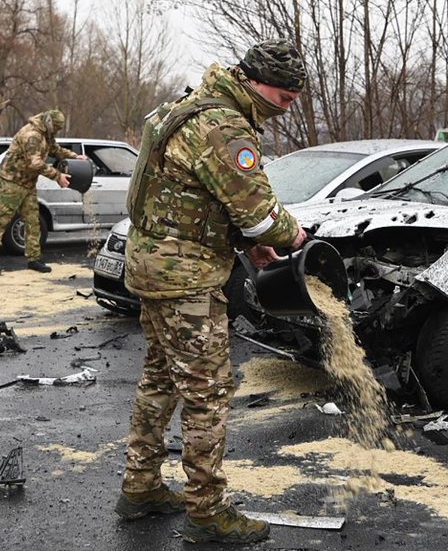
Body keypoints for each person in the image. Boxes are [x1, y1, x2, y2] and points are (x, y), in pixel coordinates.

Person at [114, 39, 308, 544]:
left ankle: (140, 487)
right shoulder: (223, 125)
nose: (284, 107)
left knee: (160, 379)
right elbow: (258, 210)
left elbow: (191, 196)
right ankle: (207, 513)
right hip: (185, 281)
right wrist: (287, 236)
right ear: (253, 79)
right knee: (208, 393)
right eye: (283, 97)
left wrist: (247, 246)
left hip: (152, 267)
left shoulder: (188, 106)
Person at [0, 109, 87, 274]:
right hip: (11, 181)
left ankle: (33, 259)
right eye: (56, 129)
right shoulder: (32, 136)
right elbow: (34, 163)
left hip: (28, 183)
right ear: (49, 123)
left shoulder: (46, 133)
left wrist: (74, 156)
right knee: (2, 220)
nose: (56, 133)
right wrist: (57, 176)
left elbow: (56, 150)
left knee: (32, 221)